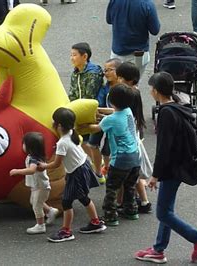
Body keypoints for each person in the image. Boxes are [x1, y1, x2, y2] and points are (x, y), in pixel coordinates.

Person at [135, 72, 197, 263]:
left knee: (163, 212)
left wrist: (155, 175)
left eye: (151, 88)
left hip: (172, 168)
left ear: (155, 91)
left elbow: (163, 149)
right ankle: (158, 249)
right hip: (180, 165)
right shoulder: (178, 107)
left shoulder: (166, 114)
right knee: (166, 209)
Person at [40, 108, 106, 242]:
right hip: (82, 167)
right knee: (83, 198)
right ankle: (95, 222)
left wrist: (44, 166)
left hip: (76, 172)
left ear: (58, 125)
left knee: (66, 202)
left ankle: (66, 231)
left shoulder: (62, 143)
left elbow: (56, 164)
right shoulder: (72, 132)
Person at [86, 84, 141, 226]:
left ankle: (110, 216)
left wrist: (81, 123)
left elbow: (95, 128)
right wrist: (99, 111)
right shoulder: (128, 111)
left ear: (110, 99)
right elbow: (112, 111)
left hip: (121, 159)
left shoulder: (110, 120)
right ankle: (131, 211)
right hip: (135, 156)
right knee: (129, 186)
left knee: (112, 188)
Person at [115, 62, 152, 214]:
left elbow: (118, 113)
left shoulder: (128, 94)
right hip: (136, 136)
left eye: (121, 78)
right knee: (135, 175)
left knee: (131, 176)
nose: (119, 81)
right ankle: (142, 201)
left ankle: (134, 202)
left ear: (130, 80)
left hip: (130, 141)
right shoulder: (134, 92)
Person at [9, 132, 59, 234]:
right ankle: (50, 211)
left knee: (36, 205)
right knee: (34, 202)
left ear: (30, 147)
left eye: (24, 144)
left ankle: (40, 225)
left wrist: (17, 171)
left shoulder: (33, 159)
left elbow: (31, 170)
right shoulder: (36, 156)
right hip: (38, 186)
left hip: (41, 187)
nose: (22, 146)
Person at [68, 42, 104, 180]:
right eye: (71, 55)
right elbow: (72, 94)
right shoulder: (75, 73)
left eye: (74, 55)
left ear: (85, 56)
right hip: (80, 111)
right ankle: (97, 164)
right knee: (81, 141)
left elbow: (90, 96)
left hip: (92, 112)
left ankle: (99, 169)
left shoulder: (93, 73)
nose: (72, 58)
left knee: (88, 142)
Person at [106, 0, 160, 81]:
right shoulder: (147, 4)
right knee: (133, 84)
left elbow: (109, 20)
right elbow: (155, 30)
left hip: (118, 52)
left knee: (116, 84)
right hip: (139, 54)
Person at [91, 58, 122, 182]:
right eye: (105, 70)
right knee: (93, 143)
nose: (106, 73)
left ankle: (108, 168)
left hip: (113, 123)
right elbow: (99, 102)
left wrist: (101, 111)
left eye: (110, 70)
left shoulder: (122, 88)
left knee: (108, 149)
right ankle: (100, 171)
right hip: (102, 119)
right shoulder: (104, 87)